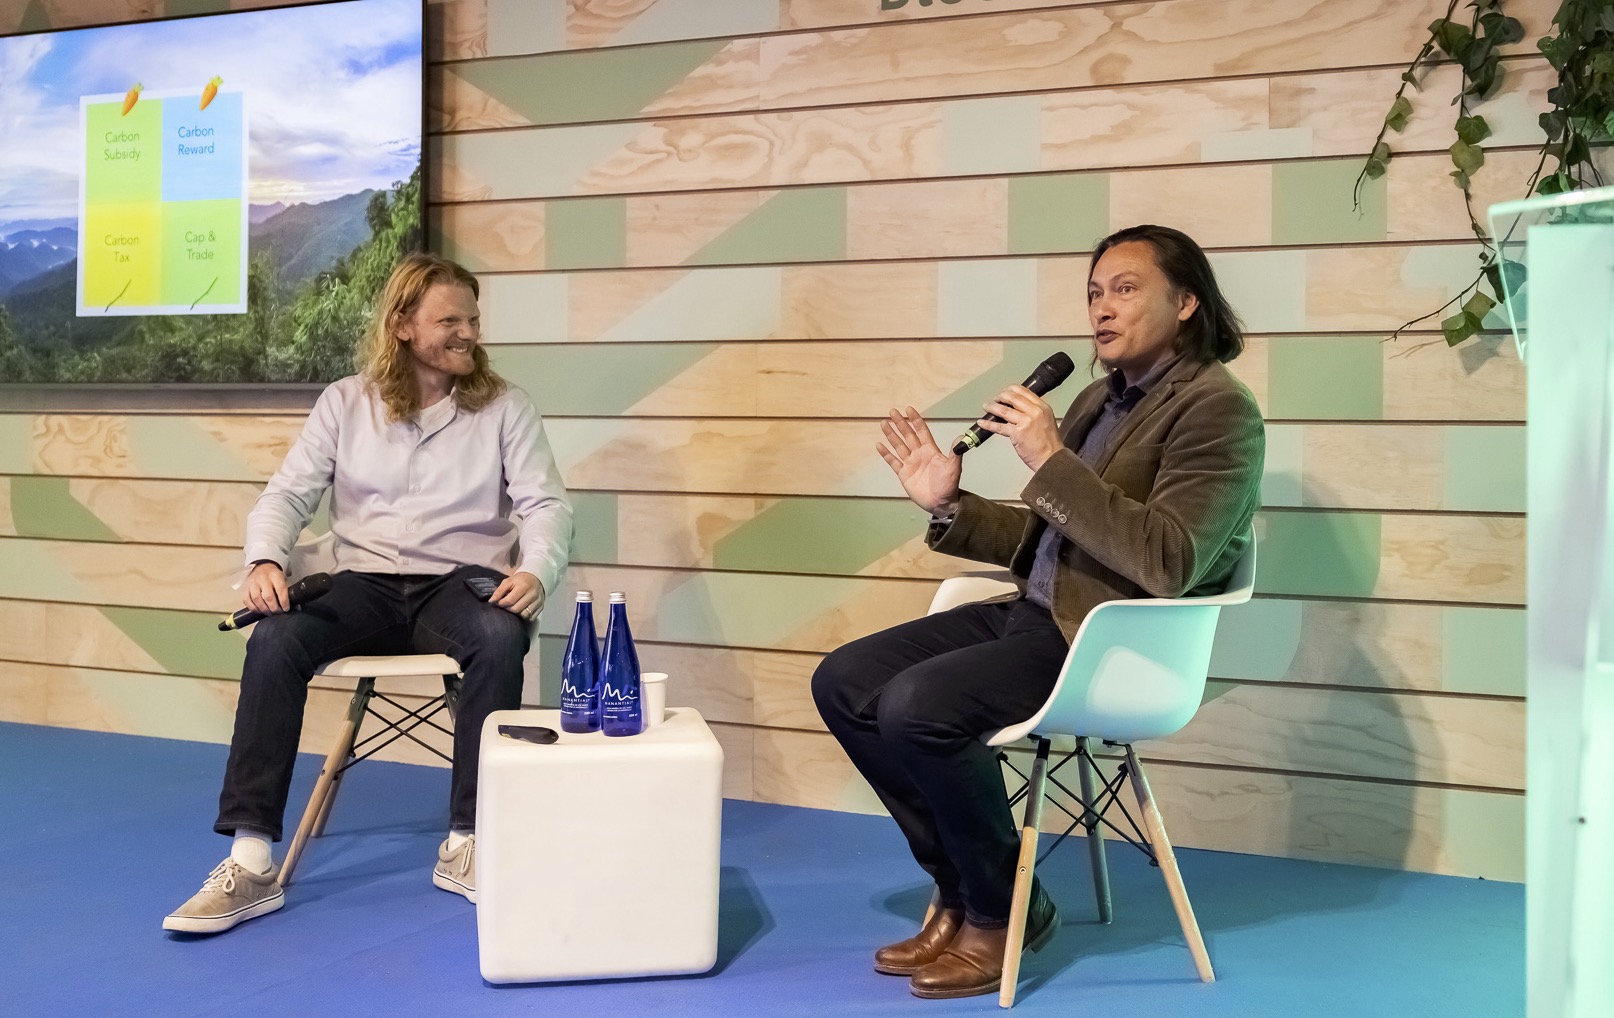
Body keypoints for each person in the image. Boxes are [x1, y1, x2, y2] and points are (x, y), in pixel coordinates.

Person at [812, 224, 1265, 999]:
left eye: (1125, 289)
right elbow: (1050, 535)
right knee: (846, 681)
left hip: (1109, 640)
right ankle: (962, 893)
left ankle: (1001, 911)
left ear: (1187, 302)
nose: (1102, 308)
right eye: (1094, 292)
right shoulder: (1098, 399)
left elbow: (1168, 560)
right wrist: (950, 502)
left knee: (919, 707)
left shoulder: (1218, 410)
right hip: (1039, 612)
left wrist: (1050, 459)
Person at [164, 253, 573, 934]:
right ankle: (251, 858)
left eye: (473, 318)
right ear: (404, 325)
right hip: (361, 586)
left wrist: (534, 571)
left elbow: (546, 505)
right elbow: (288, 494)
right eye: (451, 320)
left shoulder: (506, 407)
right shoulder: (345, 401)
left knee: (501, 636)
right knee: (276, 637)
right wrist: (264, 562)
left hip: (457, 586)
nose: (469, 331)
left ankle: (469, 840)